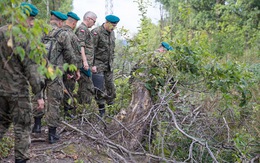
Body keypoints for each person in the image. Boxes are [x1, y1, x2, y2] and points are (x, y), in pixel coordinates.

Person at [0, 3, 45, 163]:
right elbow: (32, 69)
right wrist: (39, 95)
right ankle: (20, 160)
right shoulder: (25, 37)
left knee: (2, 124)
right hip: (18, 92)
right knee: (22, 127)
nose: (32, 23)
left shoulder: (1, 31)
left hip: (1, 90)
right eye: (31, 18)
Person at [43, 11, 81, 144]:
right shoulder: (63, 34)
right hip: (54, 71)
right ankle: (52, 135)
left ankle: (36, 126)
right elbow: (70, 55)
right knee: (54, 101)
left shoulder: (40, 30)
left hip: (38, 70)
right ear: (60, 22)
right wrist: (74, 69)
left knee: (37, 96)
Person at [91, 14, 120, 117]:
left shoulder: (112, 34)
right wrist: (92, 65)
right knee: (99, 89)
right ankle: (102, 113)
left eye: (115, 26)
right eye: (112, 25)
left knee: (111, 88)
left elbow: (112, 50)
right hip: (97, 65)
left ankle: (112, 112)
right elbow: (91, 50)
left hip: (108, 66)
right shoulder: (96, 32)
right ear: (106, 23)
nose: (113, 28)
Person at [75, 11, 97, 108]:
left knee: (85, 87)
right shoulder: (82, 29)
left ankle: (80, 108)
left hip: (87, 64)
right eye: (94, 21)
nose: (94, 24)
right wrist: (85, 61)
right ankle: (82, 109)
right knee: (86, 88)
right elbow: (81, 46)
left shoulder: (86, 30)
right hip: (83, 65)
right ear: (88, 19)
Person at [62, 11, 82, 118]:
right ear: (74, 23)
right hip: (68, 69)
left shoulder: (57, 32)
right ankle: (67, 112)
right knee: (68, 89)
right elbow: (74, 56)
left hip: (55, 68)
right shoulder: (72, 36)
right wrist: (75, 71)